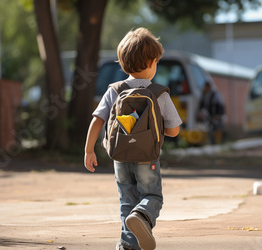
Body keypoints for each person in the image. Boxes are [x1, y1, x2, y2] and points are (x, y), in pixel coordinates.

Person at [84, 27, 182, 250]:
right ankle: (143, 215)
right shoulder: (159, 93)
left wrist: (89, 150)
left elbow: (97, 120)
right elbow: (174, 130)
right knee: (152, 196)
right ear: (151, 62)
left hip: (120, 157)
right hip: (147, 157)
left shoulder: (114, 90)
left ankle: (128, 245)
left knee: (126, 200)